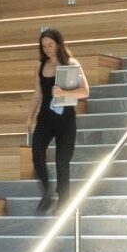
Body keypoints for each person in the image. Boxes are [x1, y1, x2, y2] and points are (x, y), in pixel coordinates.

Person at [25, 28, 89, 215]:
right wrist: (29, 117)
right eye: (44, 46)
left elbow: (85, 91)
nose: (47, 49)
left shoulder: (70, 63)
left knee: (62, 161)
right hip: (45, 118)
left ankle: (64, 200)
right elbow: (37, 93)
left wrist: (64, 93)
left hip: (65, 119)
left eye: (50, 45)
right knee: (37, 154)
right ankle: (47, 191)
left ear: (59, 44)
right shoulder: (40, 65)